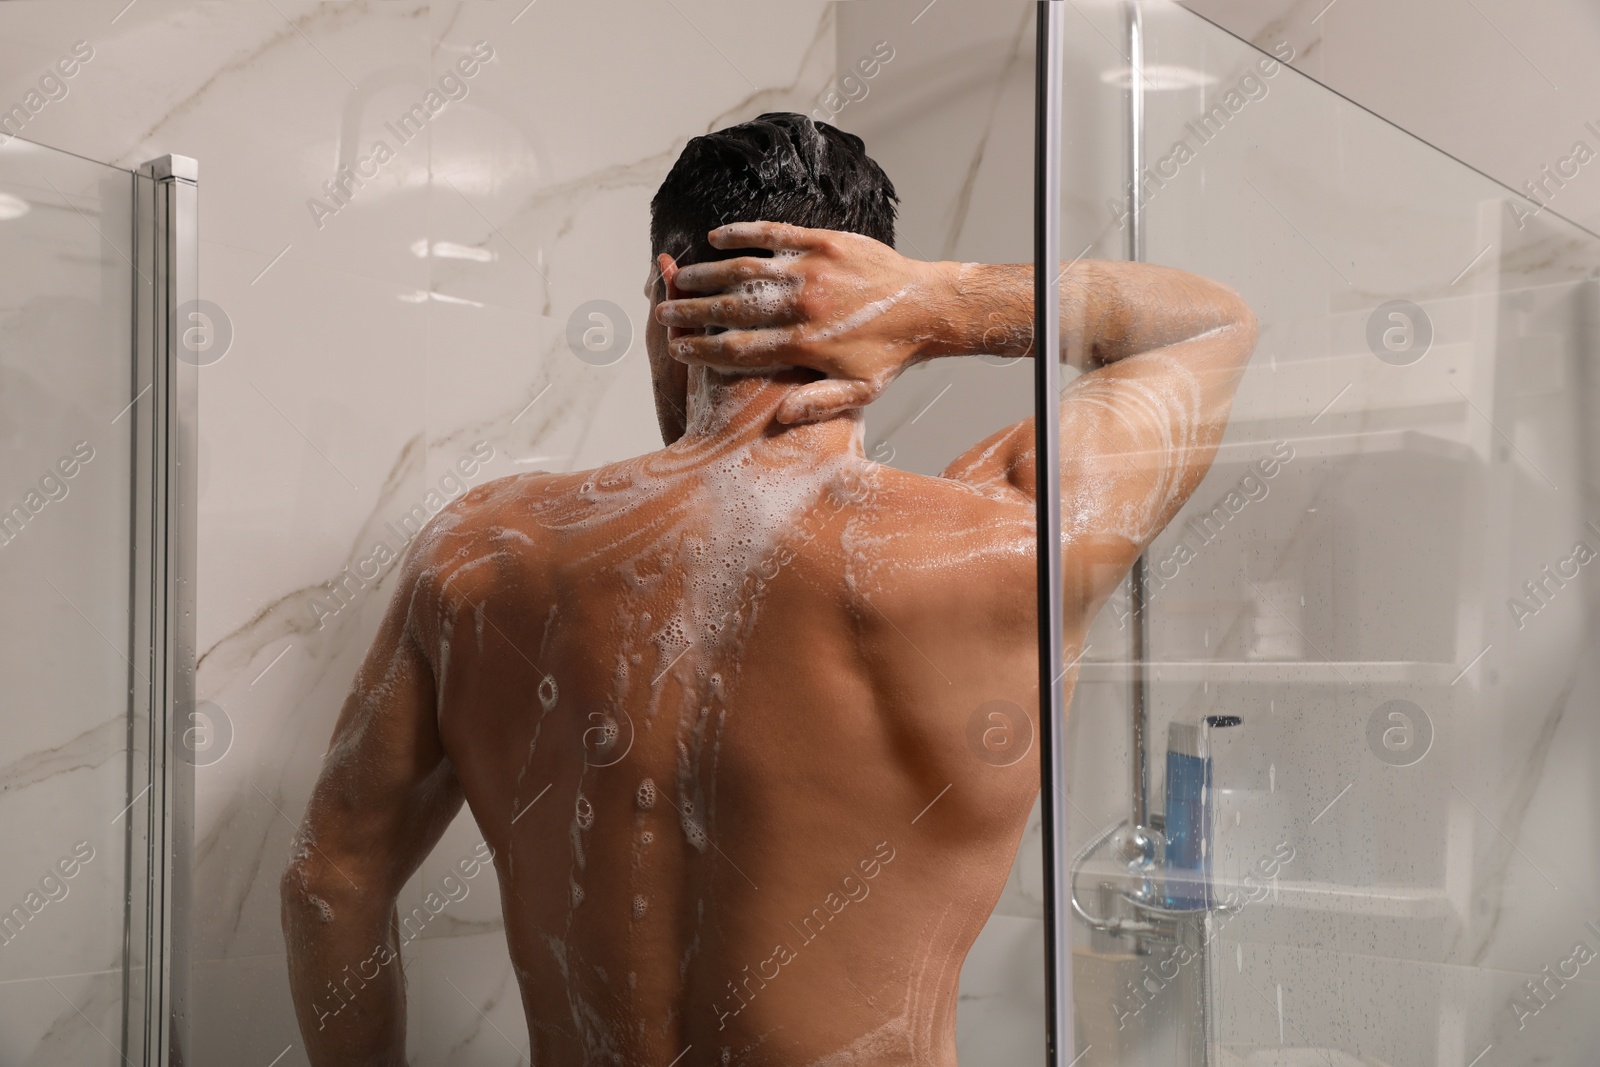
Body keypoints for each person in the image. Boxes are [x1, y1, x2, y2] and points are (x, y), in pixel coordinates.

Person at [281, 112, 1257, 1066]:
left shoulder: (482, 551)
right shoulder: (1003, 544)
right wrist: (940, 303)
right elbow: (1211, 325)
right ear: (866, 291)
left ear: (666, 292)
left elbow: (329, 881)